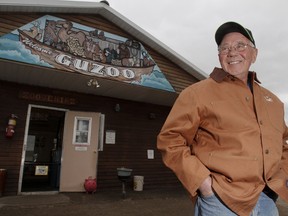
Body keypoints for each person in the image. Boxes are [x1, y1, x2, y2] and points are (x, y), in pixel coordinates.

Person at [157, 21, 288, 216]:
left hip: (267, 200)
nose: (232, 52)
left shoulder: (274, 101)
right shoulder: (196, 93)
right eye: (224, 47)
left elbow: (283, 145)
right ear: (219, 56)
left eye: (240, 46)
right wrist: (204, 184)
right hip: (221, 202)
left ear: (255, 53)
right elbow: (171, 140)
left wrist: (282, 176)